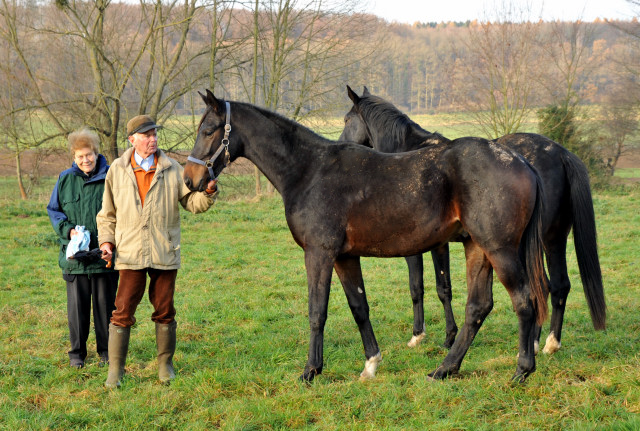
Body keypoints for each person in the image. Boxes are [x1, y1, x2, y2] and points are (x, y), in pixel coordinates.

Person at [97, 114, 218, 388]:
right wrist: (106, 242)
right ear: (132, 140)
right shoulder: (117, 169)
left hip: (164, 251)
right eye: (147, 135)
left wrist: (208, 193)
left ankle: (165, 366)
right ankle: (116, 370)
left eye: (154, 134)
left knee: (165, 310)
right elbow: (107, 214)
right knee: (122, 311)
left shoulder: (172, 168)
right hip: (129, 253)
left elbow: (192, 203)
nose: (153, 139)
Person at [47, 128, 119, 369]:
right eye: (80, 156)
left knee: (105, 308)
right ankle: (77, 354)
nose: (85, 160)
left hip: (103, 256)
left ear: (97, 154)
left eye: (89, 154)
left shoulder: (111, 177)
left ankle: (107, 352)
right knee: (77, 311)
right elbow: (54, 210)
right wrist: (68, 230)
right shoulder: (65, 179)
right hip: (75, 258)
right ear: (74, 157)